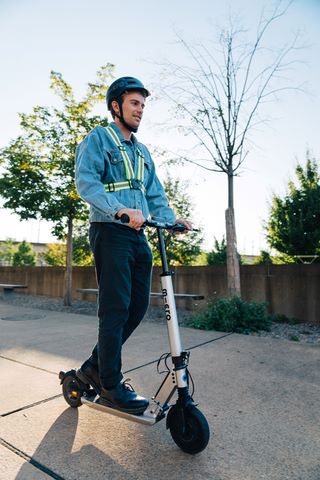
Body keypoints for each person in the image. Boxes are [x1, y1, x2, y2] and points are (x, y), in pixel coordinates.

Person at [75, 76, 192, 415]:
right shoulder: (100, 138)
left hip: (139, 237)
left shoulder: (141, 151)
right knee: (114, 309)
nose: (141, 110)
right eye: (134, 103)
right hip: (111, 231)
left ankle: (95, 367)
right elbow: (86, 183)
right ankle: (110, 384)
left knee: (137, 306)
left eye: (143, 105)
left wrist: (172, 220)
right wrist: (119, 209)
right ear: (116, 105)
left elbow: (154, 193)